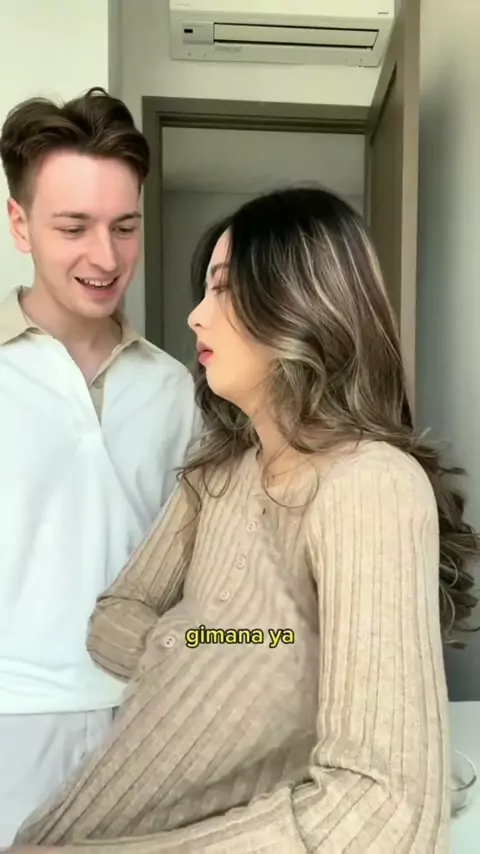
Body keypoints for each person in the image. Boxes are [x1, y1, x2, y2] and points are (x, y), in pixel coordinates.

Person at [12, 187, 480, 853]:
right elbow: (116, 617)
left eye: (226, 289)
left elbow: (387, 811)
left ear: (302, 303)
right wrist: (220, 648)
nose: (196, 316)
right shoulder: (217, 472)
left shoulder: (369, 484)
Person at [0, 87, 198, 846]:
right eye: (73, 227)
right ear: (20, 223)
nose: (105, 257)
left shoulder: (175, 387)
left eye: (124, 226)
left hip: (150, 720)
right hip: (12, 724)